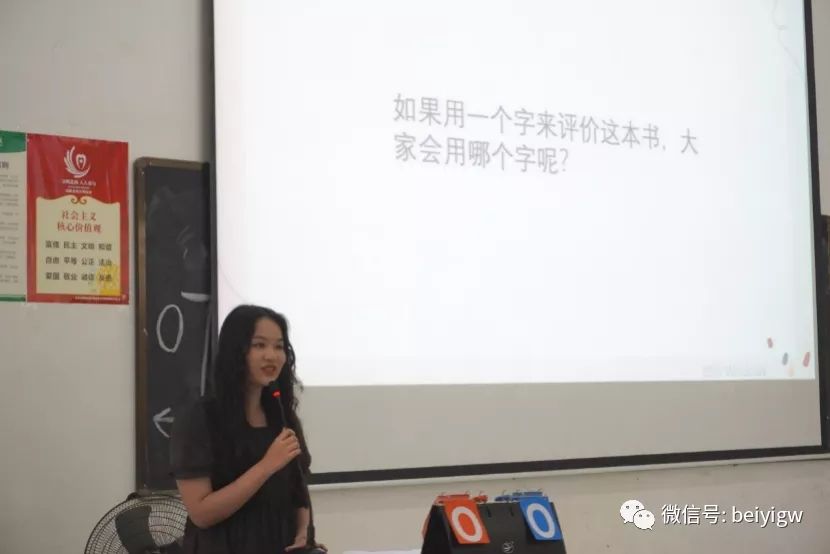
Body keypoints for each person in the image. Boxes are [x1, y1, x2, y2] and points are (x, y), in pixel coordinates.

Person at [170, 304, 325, 553]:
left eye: (279, 347)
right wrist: (266, 466)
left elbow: (298, 490)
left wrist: (302, 532)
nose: (271, 356)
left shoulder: (281, 416)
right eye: (259, 345)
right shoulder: (200, 418)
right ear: (236, 350)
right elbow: (201, 514)